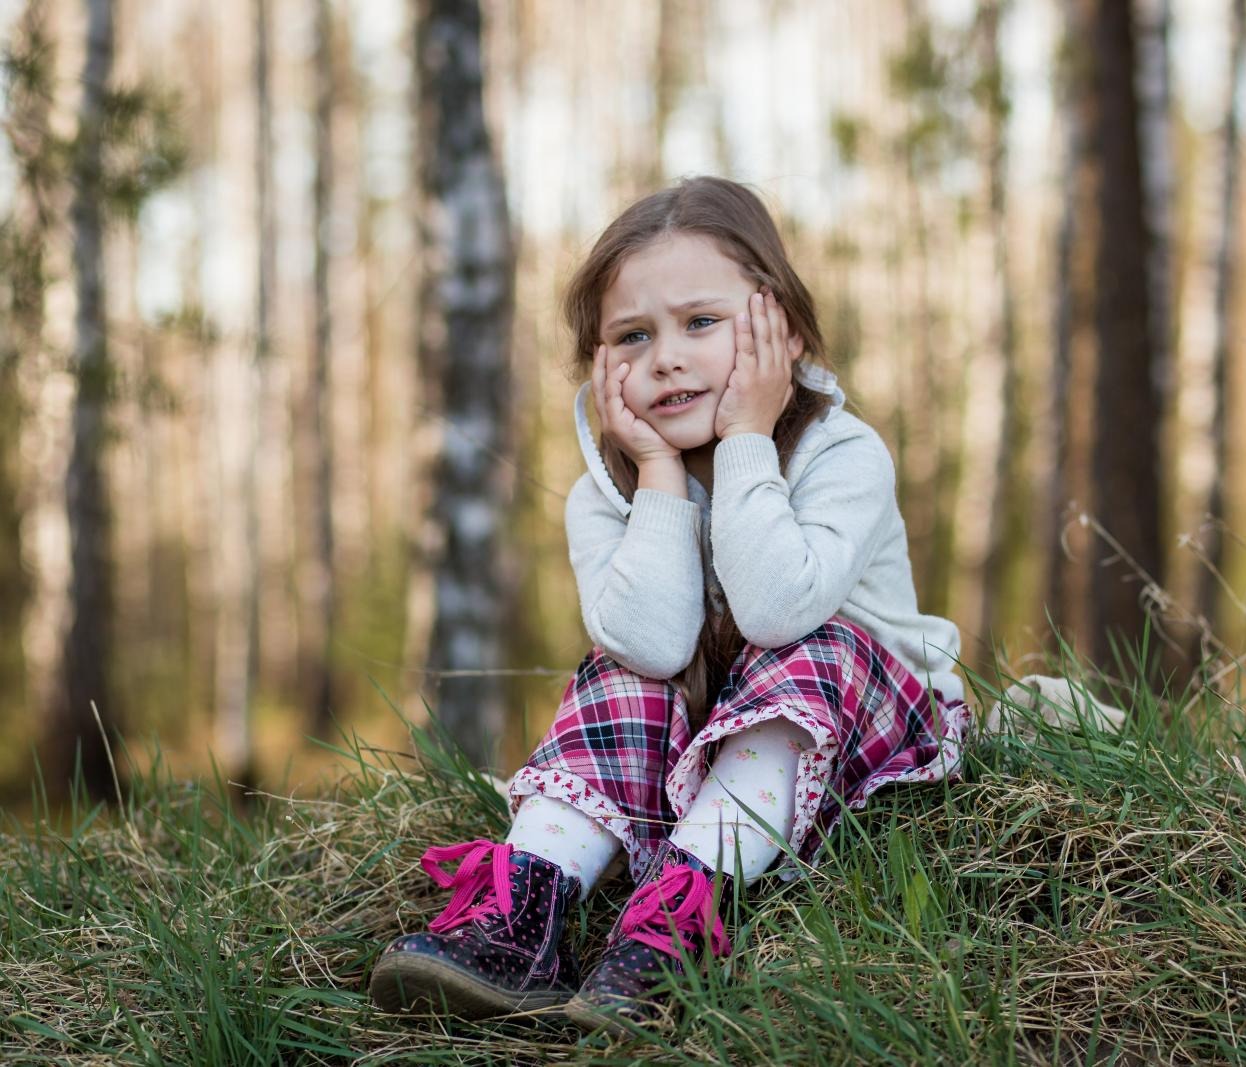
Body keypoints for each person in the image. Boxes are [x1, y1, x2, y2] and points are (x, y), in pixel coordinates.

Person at [369, 175, 968, 1036]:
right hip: (712, 747)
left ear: (782, 329)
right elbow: (652, 646)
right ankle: (521, 916)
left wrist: (750, 439)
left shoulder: (842, 455)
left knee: (813, 648)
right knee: (619, 674)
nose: (667, 358)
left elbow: (776, 615)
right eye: (632, 336)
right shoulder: (605, 495)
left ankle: (678, 924)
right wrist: (657, 477)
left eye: (701, 323)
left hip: (863, 737)